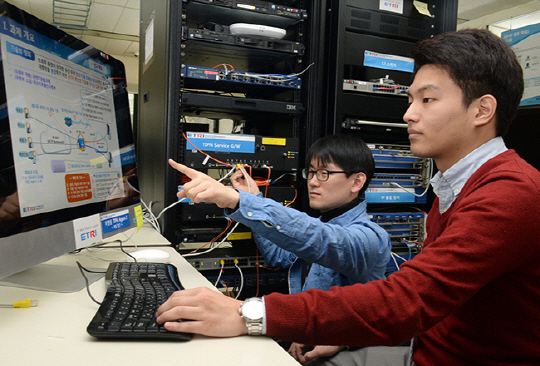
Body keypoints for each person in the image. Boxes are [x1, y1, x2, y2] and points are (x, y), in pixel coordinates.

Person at [157, 28, 540, 366]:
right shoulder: (455, 187)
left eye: (427, 100)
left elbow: (407, 300)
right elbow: (436, 304)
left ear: (482, 110)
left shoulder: (509, 194)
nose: (408, 114)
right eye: (410, 100)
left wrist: (249, 313)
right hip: (423, 345)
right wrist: (350, 330)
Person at [170, 134, 392, 360]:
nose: (313, 181)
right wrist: (252, 196)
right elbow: (279, 256)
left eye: (324, 173)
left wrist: (238, 200)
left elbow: (322, 240)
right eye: (311, 172)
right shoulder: (325, 223)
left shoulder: (371, 238)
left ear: (357, 182)